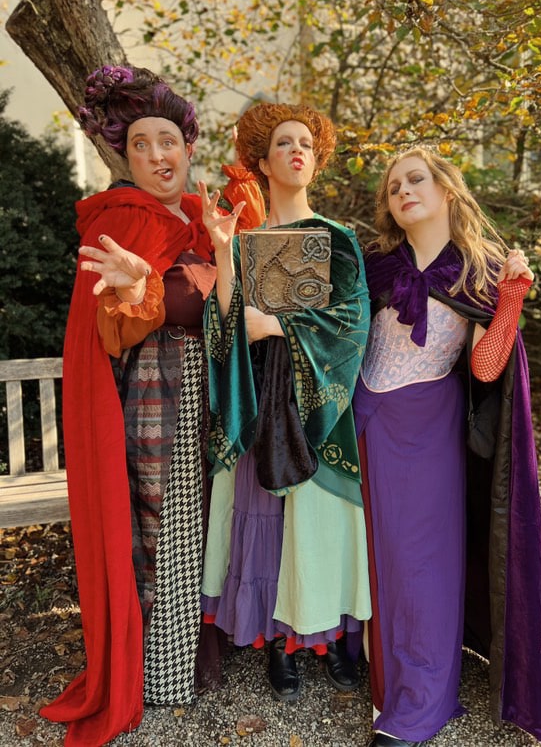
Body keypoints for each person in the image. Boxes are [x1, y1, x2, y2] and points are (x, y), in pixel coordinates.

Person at [40, 65, 265, 746]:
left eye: (168, 140)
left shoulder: (197, 219)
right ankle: (162, 673)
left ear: (189, 146)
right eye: (141, 145)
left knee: (203, 522)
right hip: (155, 388)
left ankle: (200, 651)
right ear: (126, 157)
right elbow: (112, 331)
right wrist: (137, 291)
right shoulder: (122, 221)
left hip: (209, 386)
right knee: (162, 527)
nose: (158, 156)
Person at [353, 145, 541, 747]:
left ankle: (420, 704)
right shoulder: (377, 267)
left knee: (421, 565)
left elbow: (488, 366)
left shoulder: (478, 269)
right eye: (394, 187)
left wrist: (512, 297)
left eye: (415, 180)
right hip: (362, 420)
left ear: (446, 189)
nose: (403, 192)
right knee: (373, 559)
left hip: (424, 425)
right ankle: (379, 681)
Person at [198, 102, 372, 703]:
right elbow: (222, 332)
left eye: (305, 143)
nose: (296, 150)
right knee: (271, 524)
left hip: (318, 402)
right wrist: (222, 253)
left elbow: (352, 326)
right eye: (282, 144)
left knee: (317, 525)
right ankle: (279, 639)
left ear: (315, 162)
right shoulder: (245, 244)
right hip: (261, 400)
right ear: (263, 162)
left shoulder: (338, 239)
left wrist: (275, 326)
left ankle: (328, 638)